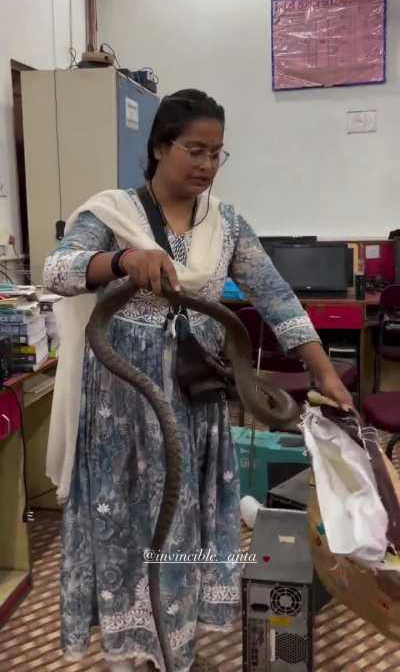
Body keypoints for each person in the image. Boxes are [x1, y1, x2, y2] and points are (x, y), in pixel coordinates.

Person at [43, 88, 353, 672]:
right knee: (126, 519)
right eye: (195, 150)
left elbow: (277, 298)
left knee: (183, 521)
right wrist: (122, 262)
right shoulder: (112, 213)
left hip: (192, 404)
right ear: (161, 147)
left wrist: (323, 371)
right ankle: (129, 647)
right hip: (123, 407)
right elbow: (57, 269)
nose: (207, 165)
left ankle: (176, 645)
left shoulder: (227, 224)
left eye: (217, 154)